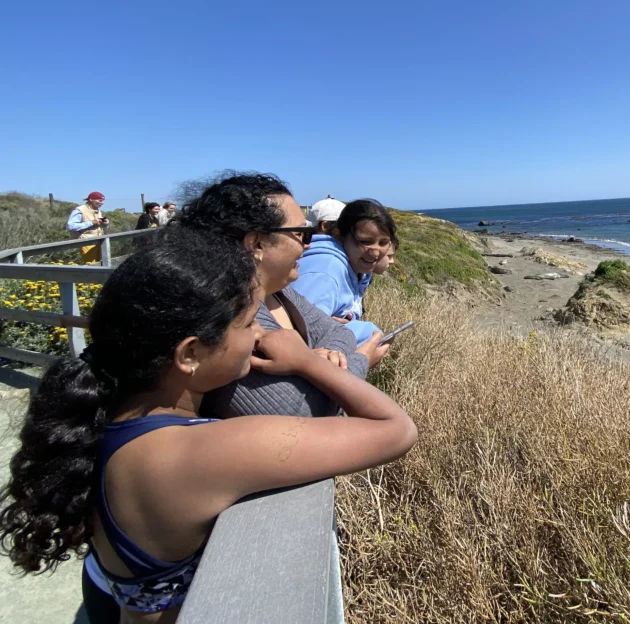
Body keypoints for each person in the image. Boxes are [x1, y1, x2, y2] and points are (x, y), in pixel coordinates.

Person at [0, 229, 417, 623]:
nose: (259, 335)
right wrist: (306, 361)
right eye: (250, 322)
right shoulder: (200, 452)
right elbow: (395, 429)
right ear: (191, 354)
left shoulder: (113, 415)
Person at [176, 172, 390, 417]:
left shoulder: (281, 293)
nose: (308, 244)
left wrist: (316, 362)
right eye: (300, 233)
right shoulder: (233, 318)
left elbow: (339, 333)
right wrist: (361, 360)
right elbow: (302, 413)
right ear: (257, 243)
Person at [290, 200, 396, 345]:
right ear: (339, 236)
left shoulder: (355, 266)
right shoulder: (326, 271)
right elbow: (301, 337)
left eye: (383, 242)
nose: (375, 252)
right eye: (365, 241)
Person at [67, 191, 110, 263]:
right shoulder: (80, 210)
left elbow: (100, 227)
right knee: (92, 266)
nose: (102, 203)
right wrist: (91, 223)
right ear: (91, 199)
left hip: (100, 242)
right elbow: (70, 226)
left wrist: (105, 224)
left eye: (102, 201)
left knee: (102, 264)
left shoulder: (98, 210)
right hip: (87, 242)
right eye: (99, 200)